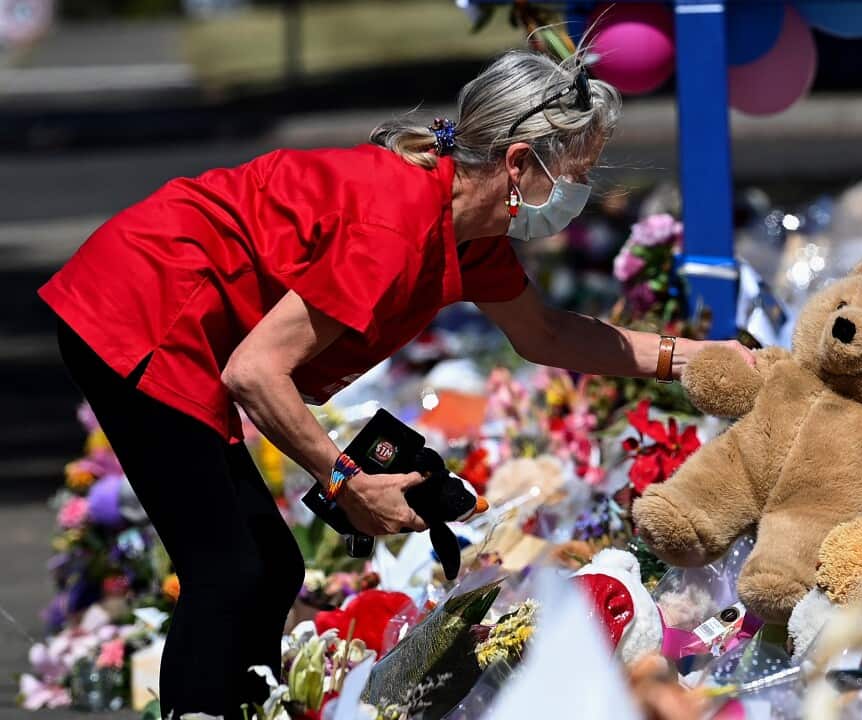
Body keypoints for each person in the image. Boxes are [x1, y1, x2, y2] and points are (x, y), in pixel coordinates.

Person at [39, 49, 751, 718]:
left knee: (268, 566)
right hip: (142, 308)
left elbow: (549, 336)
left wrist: (695, 357)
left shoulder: (470, 234)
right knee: (228, 571)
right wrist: (347, 479)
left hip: (176, 312)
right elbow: (256, 371)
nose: (581, 193)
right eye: (575, 173)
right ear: (517, 163)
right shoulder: (397, 222)